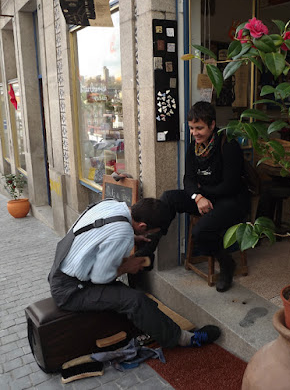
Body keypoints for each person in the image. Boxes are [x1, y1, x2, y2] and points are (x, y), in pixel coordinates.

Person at [48, 197, 220, 348]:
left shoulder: (113, 204)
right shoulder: (122, 234)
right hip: (70, 291)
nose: (152, 236)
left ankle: (150, 322)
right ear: (143, 226)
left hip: (61, 270)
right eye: (152, 232)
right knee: (135, 301)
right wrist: (126, 267)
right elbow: (100, 278)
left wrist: (132, 237)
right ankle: (184, 339)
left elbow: (101, 232)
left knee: (129, 296)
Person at [142, 101, 250, 292]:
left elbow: (229, 185)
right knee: (168, 198)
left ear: (212, 125)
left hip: (232, 201)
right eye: (191, 128)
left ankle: (226, 264)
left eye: (199, 128)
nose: (195, 133)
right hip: (206, 196)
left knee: (200, 231)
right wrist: (197, 196)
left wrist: (202, 193)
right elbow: (188, 179)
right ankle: (148, 250)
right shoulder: (195, 147)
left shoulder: (228, 145)